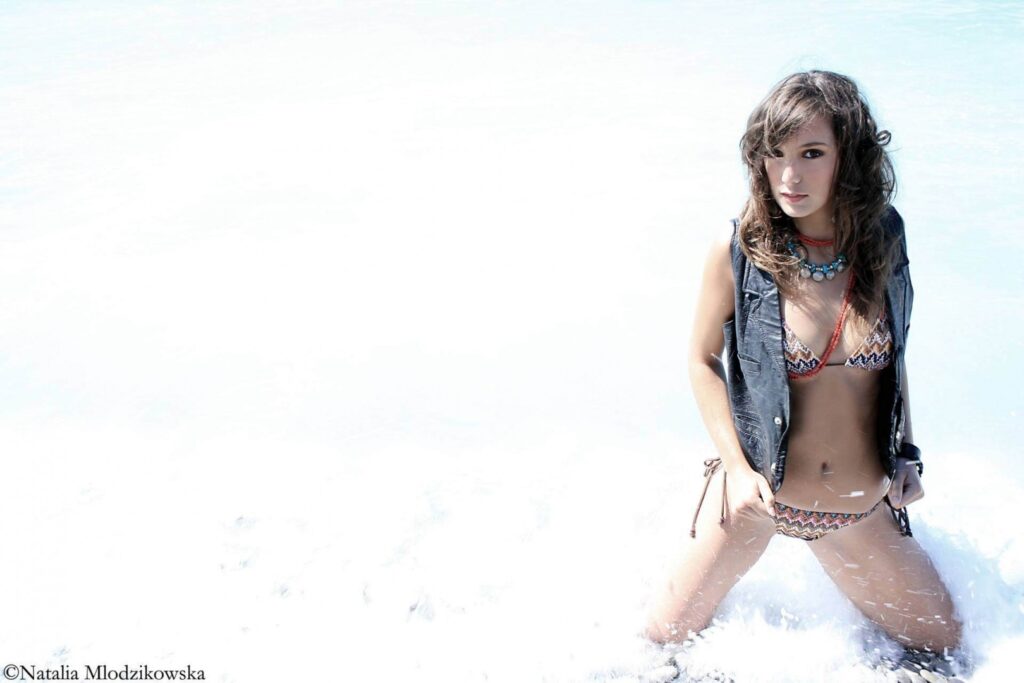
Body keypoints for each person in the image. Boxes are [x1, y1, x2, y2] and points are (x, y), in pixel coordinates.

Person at [644, 71, 962, 657]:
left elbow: (895, 358)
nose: (790, 176)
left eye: (812, 153)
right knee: (656, 649)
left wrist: (907, 453)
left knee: (949, 649)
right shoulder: (739, 251)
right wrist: (737, 470)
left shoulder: (885, 239)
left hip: (856, 508)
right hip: (755, 501)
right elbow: (701, 359)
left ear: (850, 156)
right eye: (776, 154)